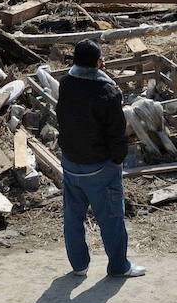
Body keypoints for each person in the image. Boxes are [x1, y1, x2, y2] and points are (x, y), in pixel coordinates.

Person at [56, 40, 145, 278]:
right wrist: (117, 160)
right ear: (99, 63)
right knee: (111, 219)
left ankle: (79, 265)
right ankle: (118, 266)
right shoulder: (107, 91)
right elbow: (116, 133)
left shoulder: (65, 84)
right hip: (99, 167)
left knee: (73, 218)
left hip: (71, 163)